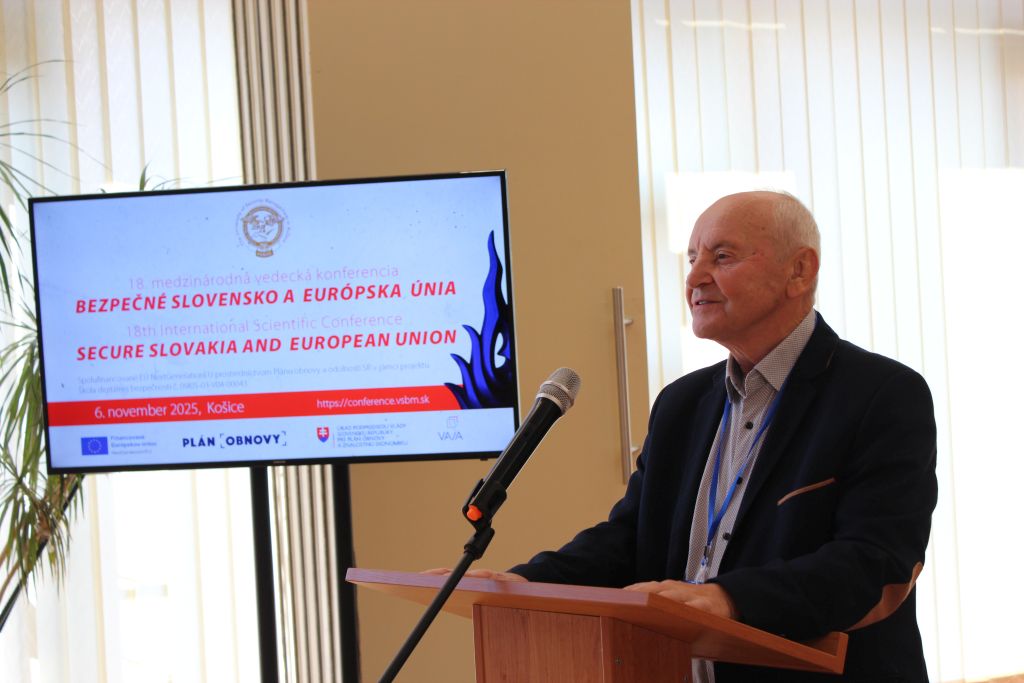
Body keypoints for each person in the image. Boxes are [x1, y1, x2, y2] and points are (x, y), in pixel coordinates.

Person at [439, 191, 938, 682]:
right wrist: (525, 582)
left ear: (800, 271)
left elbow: (875, 562)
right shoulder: (681, 404)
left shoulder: (882, 395)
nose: (695, 277)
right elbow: (629, 539)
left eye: (722, 257)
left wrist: (728, 599)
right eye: (693, 258)